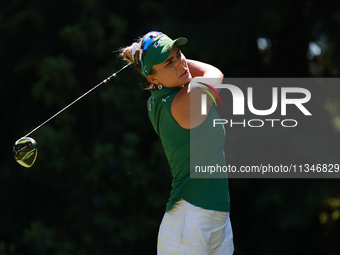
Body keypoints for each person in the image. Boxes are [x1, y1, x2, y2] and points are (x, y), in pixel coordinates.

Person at [119, 31, 234, 255]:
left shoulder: (163, 98)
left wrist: (159, 60)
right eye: (169, 62)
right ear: (152, 79)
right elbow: (214, 73)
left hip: (216, 216)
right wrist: (149, 57)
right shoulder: (180, 102)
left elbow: (190, 72)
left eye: (180, 54)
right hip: (190, 221)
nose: (181, 64)